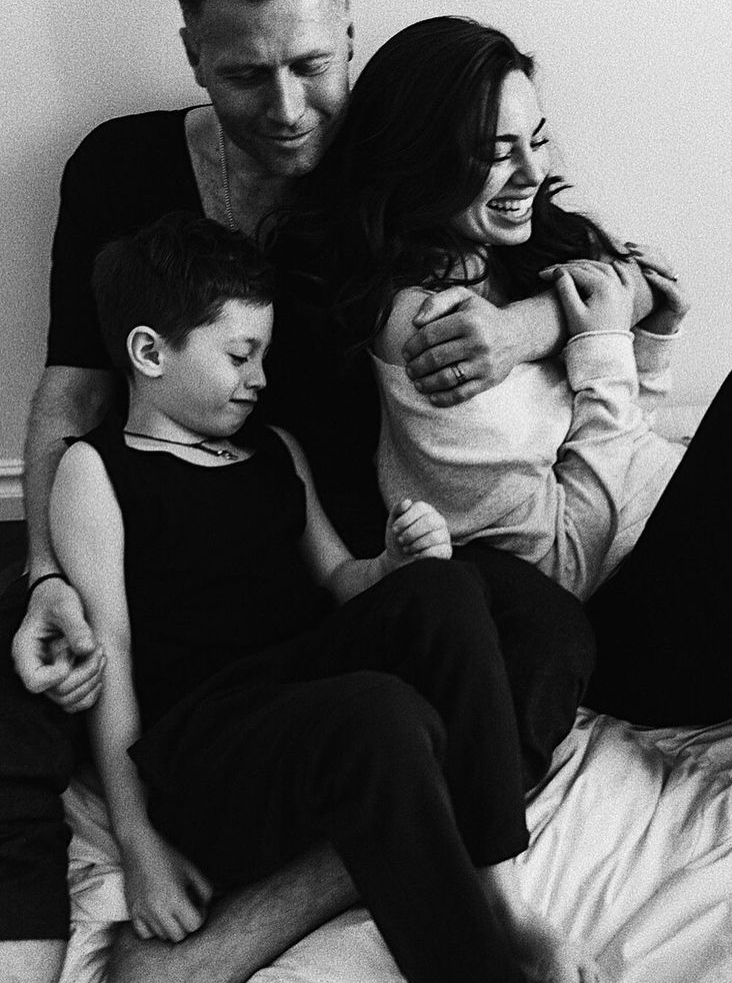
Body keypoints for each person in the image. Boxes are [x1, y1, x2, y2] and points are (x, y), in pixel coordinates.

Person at [3, 0, 660, 980]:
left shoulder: (399, 156)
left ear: (349, 31)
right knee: (19, 658)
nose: (287, 107)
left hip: (333, 560)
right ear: (192, 53)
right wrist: (49, 570)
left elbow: (628, 275)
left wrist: (520, 326)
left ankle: (339, 900)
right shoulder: (121, 169)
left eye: (311, 64)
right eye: (245, 73)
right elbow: (71, 390)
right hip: (166, 575)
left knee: (538, 628)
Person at [49, 210, 603, 983]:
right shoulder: (96, 470)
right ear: (150, 353)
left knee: (440, 587)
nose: (260, 378)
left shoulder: (274, 449)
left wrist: (395, 563)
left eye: (264, 355)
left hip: (301, 688)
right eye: (239, 355)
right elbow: (109, 653)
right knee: (384, 713)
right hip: (206, 743)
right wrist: (139, 843)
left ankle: (501, 898)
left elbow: (342, 579)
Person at [279, 14, 732, 730]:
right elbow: (566, 567)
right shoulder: (430, 337)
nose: (533, 174)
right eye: (495, 153)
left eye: (535, 141)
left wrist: (644, 339)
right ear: (420, 162)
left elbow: (623, 424)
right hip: (639, 643)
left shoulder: (515, 259)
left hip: (691, 585)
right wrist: (601, 343)